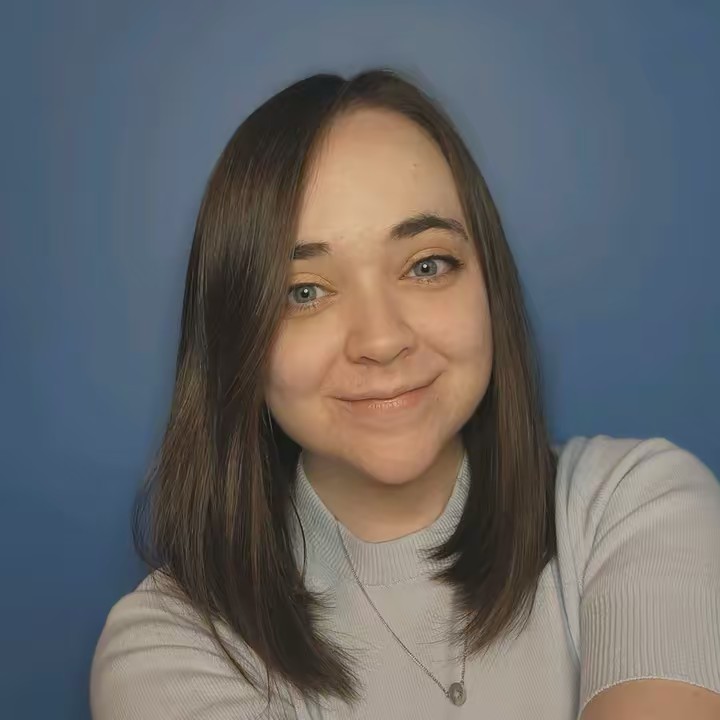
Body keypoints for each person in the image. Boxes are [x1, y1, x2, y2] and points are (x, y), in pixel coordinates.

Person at [90, 70, 720, 720]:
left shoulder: (637, 504)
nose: (383, 339)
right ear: (238, 336)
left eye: (426, 265)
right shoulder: (167, 650)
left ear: (490, 287)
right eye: (304, 291)